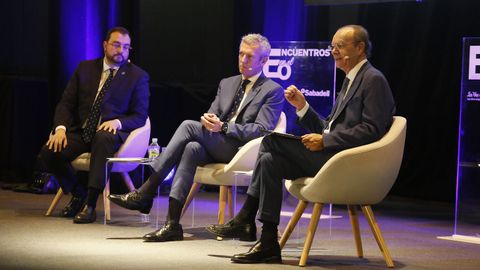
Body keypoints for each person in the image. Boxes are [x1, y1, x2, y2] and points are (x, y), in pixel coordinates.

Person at [206, 25, 396, 264]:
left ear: (360, 48)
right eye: (332, 46)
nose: (334, 51)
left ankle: (245, 218)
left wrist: (326, 140)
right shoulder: (350, 80)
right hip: (333, 157)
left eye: (340, 46)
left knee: (271, 140)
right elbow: (329, 126)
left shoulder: (373, 79)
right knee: (268, 160)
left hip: (347, 163)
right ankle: (267, 242)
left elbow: (372, 130)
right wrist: (302, 107)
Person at [109, 33, 284, 242]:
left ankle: (146, 191)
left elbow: (262, 130)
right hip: (216, 141)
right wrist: (209, 121)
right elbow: (212, 114)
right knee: (192, 147)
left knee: (187, 126)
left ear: (264, 61)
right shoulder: (227, 83)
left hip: (240, 150)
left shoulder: (273, 91)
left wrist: (225, 127)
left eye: (249, 56)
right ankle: (172, 224)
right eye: (241, 54)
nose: (243, 60)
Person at [39, 26, 149, 224]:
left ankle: (90, 204)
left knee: (103, 137)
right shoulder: (85, 68)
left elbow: (140, 116)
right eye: (116, 45)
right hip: (82, 131)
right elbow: (66, 103)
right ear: (105, 45)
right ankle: (78, 192)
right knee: (49, 152)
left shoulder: (137, 76)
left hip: (111, 135)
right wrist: (61, 129)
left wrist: (117, 122)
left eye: (126, 47)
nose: (121, 50)